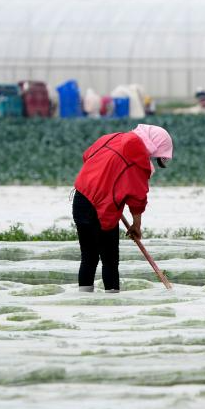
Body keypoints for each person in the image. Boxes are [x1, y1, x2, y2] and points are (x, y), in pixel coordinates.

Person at [72, 124, 173, 292]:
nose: (152, 159)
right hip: (102, 210)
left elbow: (87, 156)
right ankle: (113, 307)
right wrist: (136, 225)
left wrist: (108, 181)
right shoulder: (138, 154)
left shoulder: (111, 137)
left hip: (81, 199)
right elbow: (138, 197)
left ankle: (85, 302)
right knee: (110, 261)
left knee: (88, 258)